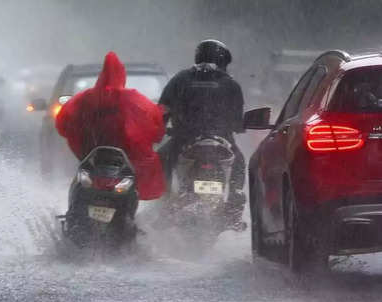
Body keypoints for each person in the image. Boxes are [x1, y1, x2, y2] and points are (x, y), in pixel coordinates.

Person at [55, 52, 166, 200]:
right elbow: (154, 121)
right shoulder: (132, 100)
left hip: (92, 157)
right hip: (119, 160)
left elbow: (64, 122)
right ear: (122, 77)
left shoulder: (86, 98)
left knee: (79, 182)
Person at [158, 40, 246, 225]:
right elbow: (237, 121)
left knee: (161, 159)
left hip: (184, 140)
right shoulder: (230, 84)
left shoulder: (180, 79)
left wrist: (160, 127)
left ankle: (165, 203)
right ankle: (234, 200)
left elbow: (163, 110)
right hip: (222, 142)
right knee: (239, 161)